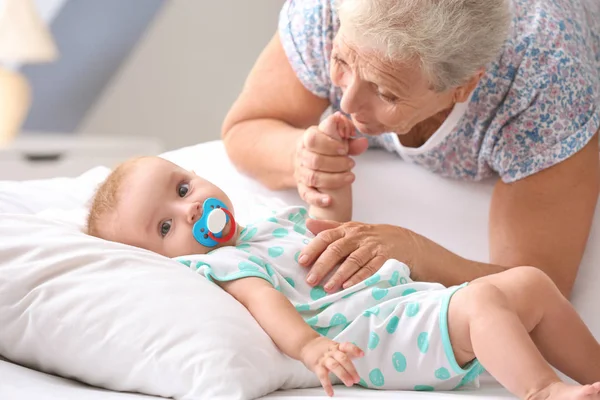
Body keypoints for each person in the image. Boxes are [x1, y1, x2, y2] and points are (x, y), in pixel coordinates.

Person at [85, 153, 600, 399]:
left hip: (409, 304)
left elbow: (334, 239)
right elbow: (267, 303)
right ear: (160, 256)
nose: (195, 208)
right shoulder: (222, 263)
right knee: (486, 303)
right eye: (167, 225)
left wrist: (333, 197)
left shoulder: (269, 226)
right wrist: (310, 347)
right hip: (374, 337)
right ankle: (544, 393)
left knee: (529, 281)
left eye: (182, 188)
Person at [220, 0, 600, 297]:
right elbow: (244, 128)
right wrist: (301, 158)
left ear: (464, 87)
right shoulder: (322, 14)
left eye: (386, 92)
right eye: (341, 61)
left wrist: (415, 253)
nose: (347, 103)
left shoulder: (544, 87)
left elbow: (537, 287)